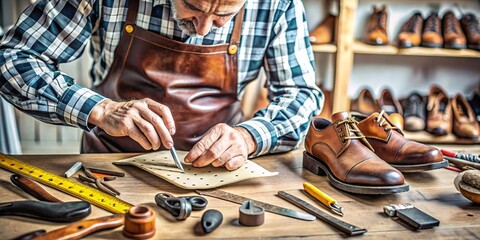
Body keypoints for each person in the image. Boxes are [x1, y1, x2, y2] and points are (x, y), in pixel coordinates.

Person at [0, 0, 323, 170]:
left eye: (224, 15)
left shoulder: (278, 4)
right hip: (110, 162)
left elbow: (302, 94)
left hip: (220, 168)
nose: (203, 29)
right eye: (193, 7)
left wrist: (249, 136)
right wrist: (99, 109)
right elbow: (13, 58)